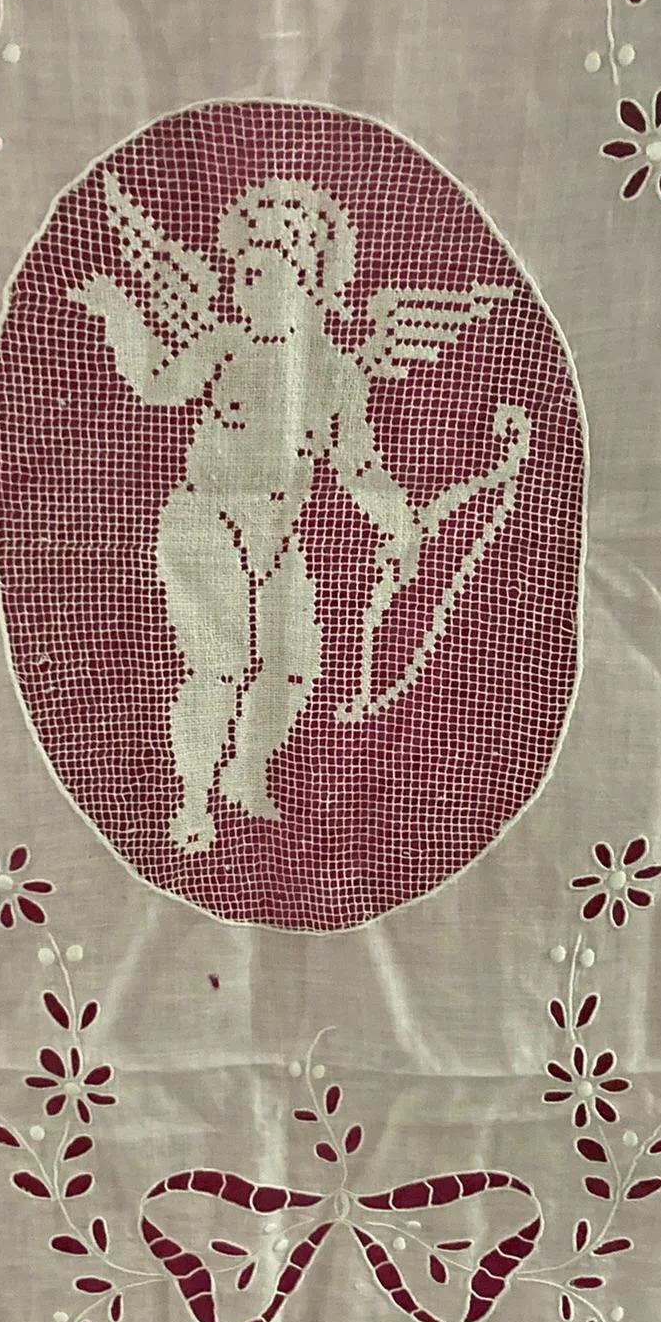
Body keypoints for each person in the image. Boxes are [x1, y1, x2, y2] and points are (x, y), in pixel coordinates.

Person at [71, 175, 521, 854]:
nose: (242, 287)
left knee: (292, 664)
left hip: (274, 537)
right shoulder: (226, 347)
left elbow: (360, 469)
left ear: (304, 284)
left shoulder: (337, 373)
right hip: (205, 522)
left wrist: (400, 524)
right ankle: (192, 803)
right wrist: (117, 311)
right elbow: (157, 383)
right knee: (220, 664)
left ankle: (244, 771)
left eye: (259, 274)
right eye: (240, 273)